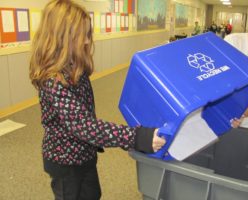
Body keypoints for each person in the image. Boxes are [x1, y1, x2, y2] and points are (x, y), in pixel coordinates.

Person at [29, 0, 166, 199]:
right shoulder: (53, 81)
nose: (87, 41)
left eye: (88, 34)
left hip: (85, 153)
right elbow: (84, 125)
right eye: (82, 35)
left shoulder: (75, 69)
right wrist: (137, 138)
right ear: (62, 37)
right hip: (64, 161)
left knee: (93, 194)